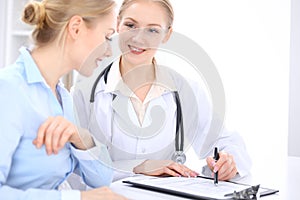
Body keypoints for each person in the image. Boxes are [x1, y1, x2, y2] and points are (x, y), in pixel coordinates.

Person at [73, 0, 251, 181]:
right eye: (130, 25)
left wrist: (226, 162)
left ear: (167, 35)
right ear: (118, 24)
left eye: (152, 30)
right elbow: (75, 168)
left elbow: (225, 143)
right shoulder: (85, 93)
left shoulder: (186, 92)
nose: (138, 38)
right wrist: (138, 167)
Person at [0, 0, 127, 199]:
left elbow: (102, 180)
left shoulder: (63, 98)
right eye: (107, 36)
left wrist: (82, 139)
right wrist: (79, 198)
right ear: (76, 28)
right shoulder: (8, 90)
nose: (109, 51)